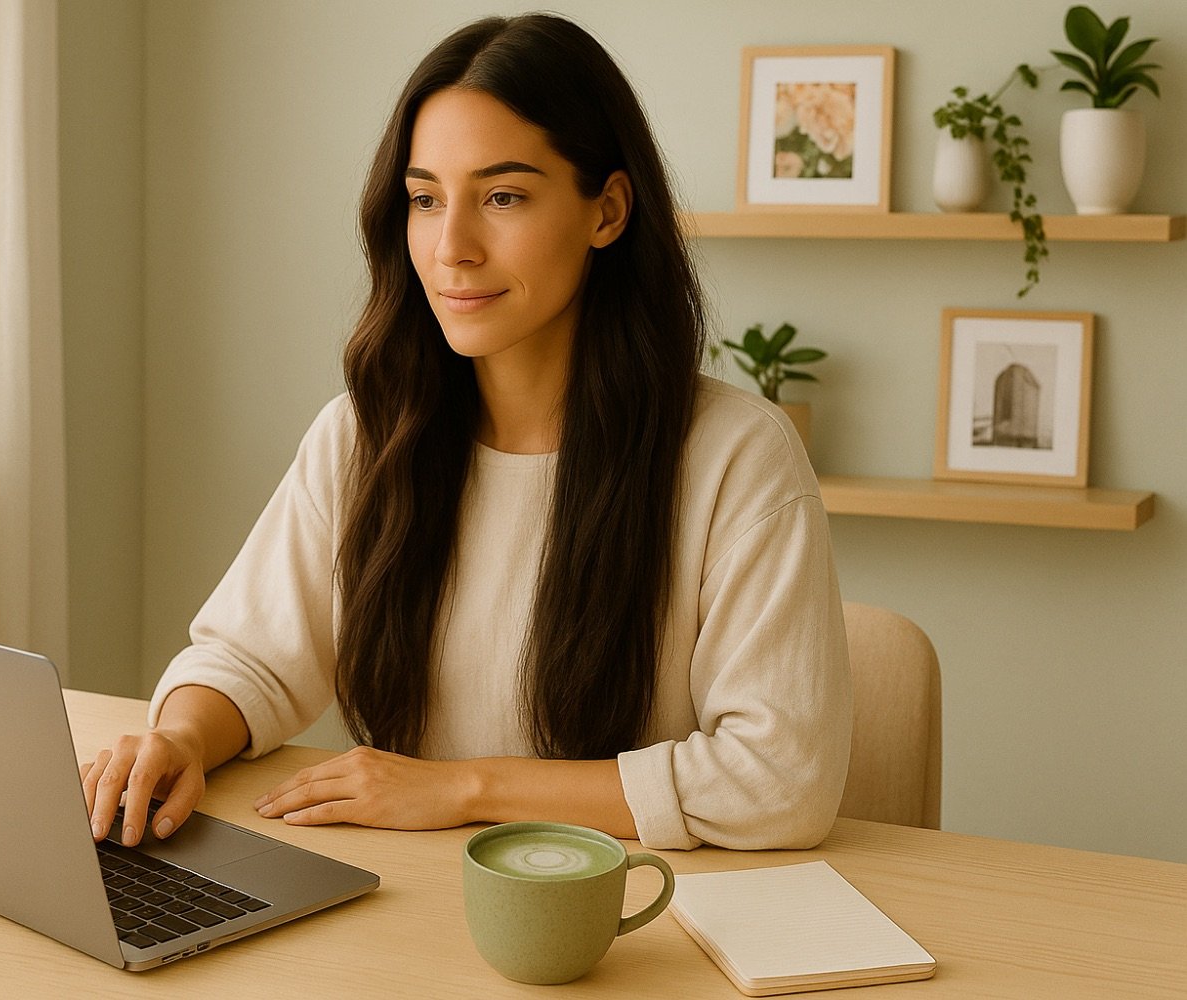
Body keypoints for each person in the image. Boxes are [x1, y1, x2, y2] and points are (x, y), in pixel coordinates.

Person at [82, 12, 851, 854]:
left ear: (609, 210)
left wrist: (463, 787)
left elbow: (780, 781)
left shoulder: (735, 458)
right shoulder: (365, 436)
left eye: (503, 196)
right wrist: (182, 738)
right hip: (403, 906)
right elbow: (250, 658)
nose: (452, 247)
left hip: (621, 924)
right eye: (424, 199)